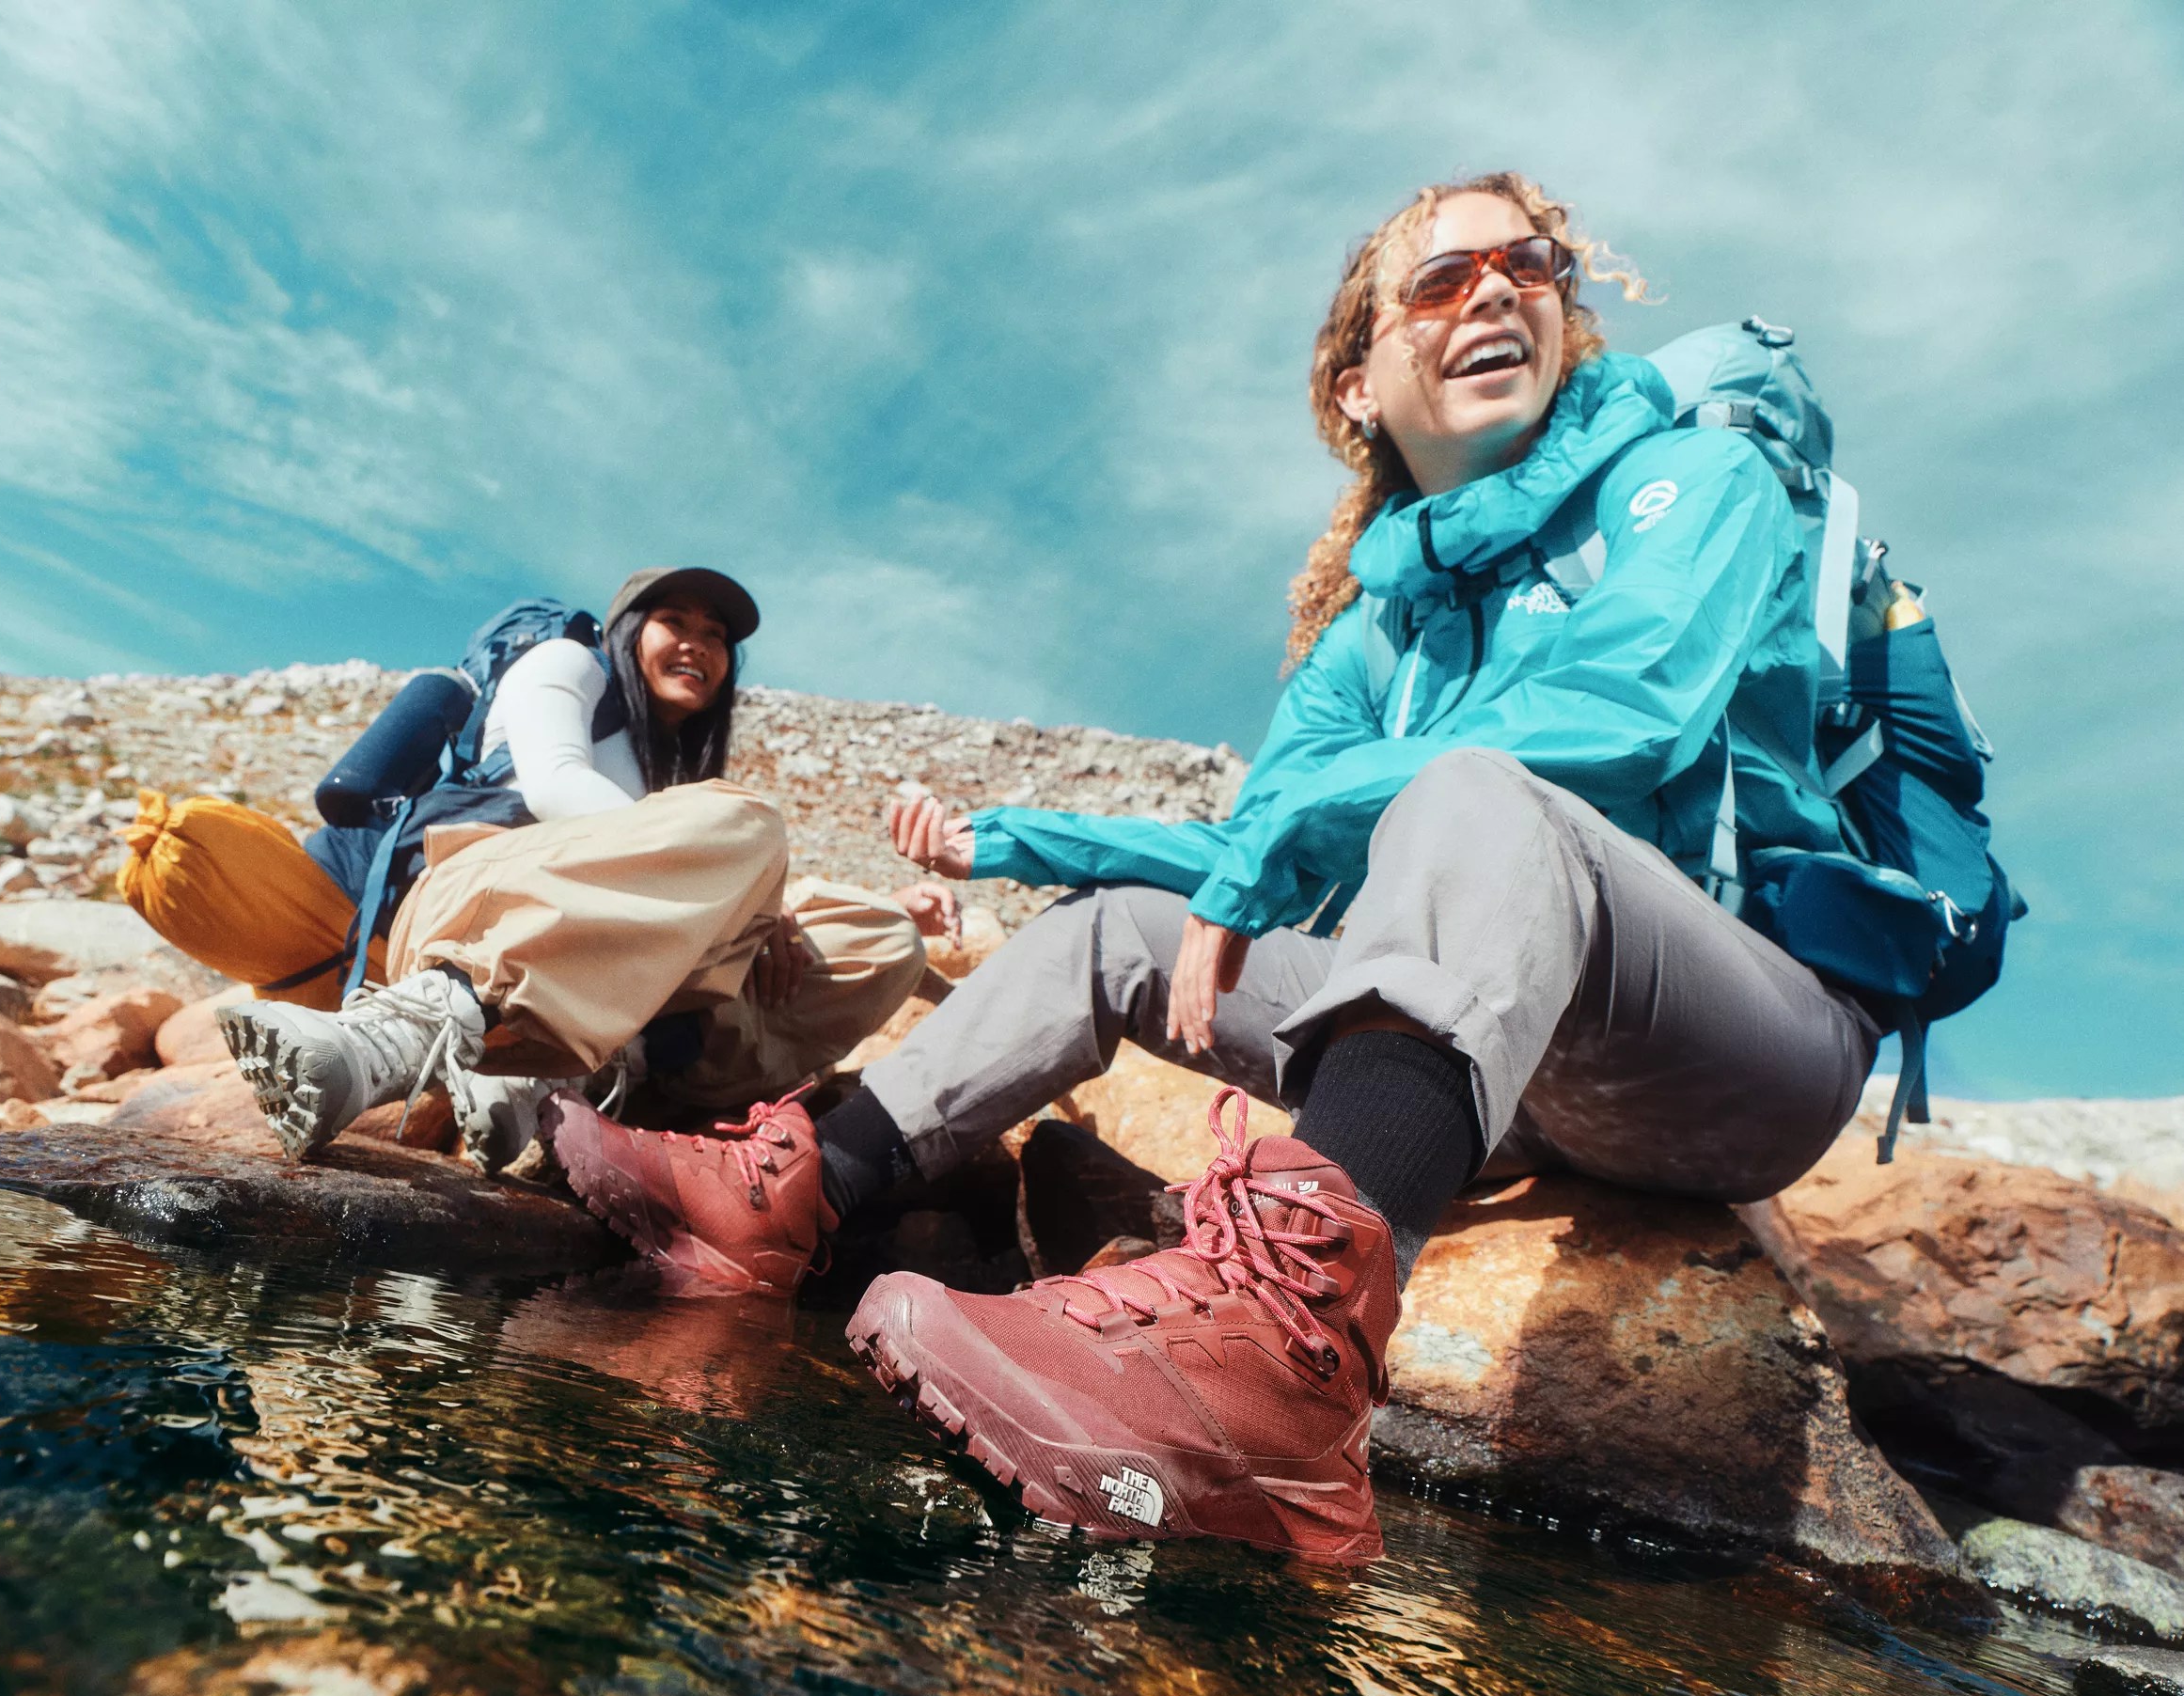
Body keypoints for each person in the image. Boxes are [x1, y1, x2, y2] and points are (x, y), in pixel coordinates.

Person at [542, 175, 1878, 1565]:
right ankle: (806, 1196)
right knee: (1120, 928)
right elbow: (1252, 846)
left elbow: (1627, 709)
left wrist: (1286, 847)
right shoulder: (1372, 633)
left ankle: (1279, 1372)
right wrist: (1015, 841)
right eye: (1439, 278)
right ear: (1359, 387)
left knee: (1485, 794)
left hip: (1721, 1047)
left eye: (1527, 262)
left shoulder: (1696, 480)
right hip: (1494, 1055)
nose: (1493, 290)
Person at [144, 566, 942, 1170]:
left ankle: (577, 1076)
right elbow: (558, 786)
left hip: (602, 965)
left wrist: (768, 912)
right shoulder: (569, 666)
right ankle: (396, 1039)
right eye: (675, 621)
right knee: (752, 825)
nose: (698, 643)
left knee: (883, 940)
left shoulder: (676, 780)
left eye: (717, 635)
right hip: (470, 903)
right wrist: (750, 900)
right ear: (628, 630)